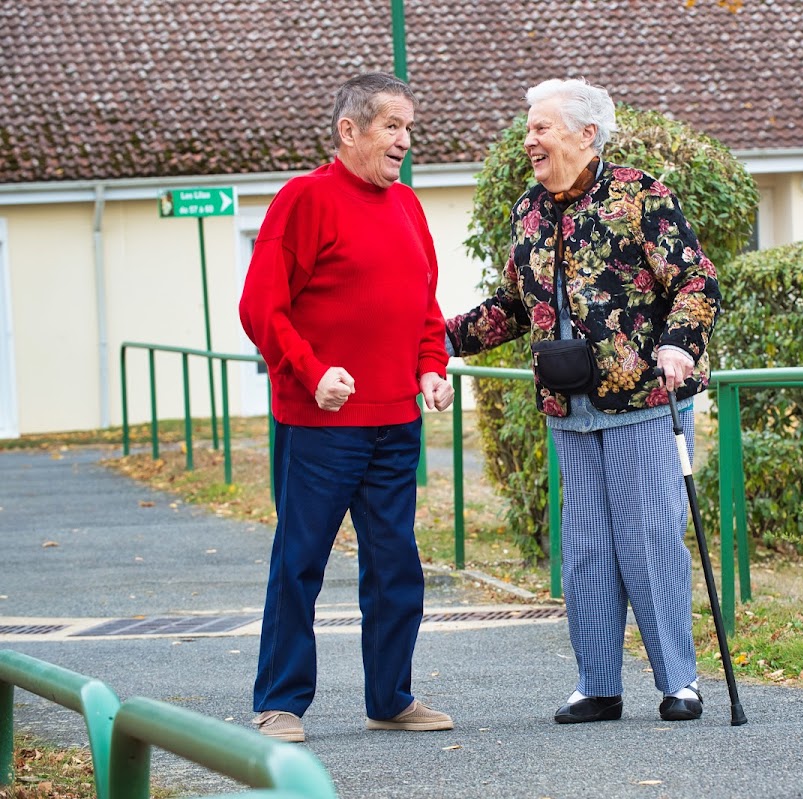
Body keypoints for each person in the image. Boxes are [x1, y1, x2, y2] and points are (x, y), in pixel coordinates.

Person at [446, 78, 720, 723]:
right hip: (570, 408)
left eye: (541, 127)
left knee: (648, 543)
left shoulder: (639, 195)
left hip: (643, 400)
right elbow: (514, 305)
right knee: (588, 552)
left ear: (586, 133)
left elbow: (695, 279)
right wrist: (443, 339)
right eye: (529, 127)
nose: (530, 139)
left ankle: (679, 681)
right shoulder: (529, 210)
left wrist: (679, 343)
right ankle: (598, 685)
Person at [239, 72, 455, 742]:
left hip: (395, 421)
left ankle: (390, 698)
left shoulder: (407, 206)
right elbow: (260, 308)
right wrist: (310, 372)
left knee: (396, 566)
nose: (405, 140)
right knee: (300, 562)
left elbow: (424, 307)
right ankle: (279, 702)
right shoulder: (305, 199)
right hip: (321, 424)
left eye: (409, 127)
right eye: (392, 126)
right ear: (349, 130)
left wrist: (431, 367)